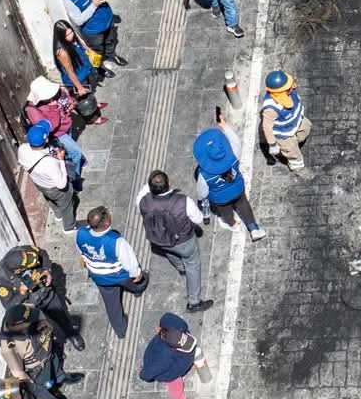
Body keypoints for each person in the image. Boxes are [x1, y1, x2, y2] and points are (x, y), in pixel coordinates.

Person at [137, 170, 213, 312]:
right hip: (184, 241)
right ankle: (194, 302)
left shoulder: (142, 200)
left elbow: (141, 206)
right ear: (169, 184)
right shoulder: (183, 201)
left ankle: (181, 268)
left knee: (170, 253)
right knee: (193, 264)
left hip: (159, 239)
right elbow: (198, 219)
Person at [74, 206, 148, 338]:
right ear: (107, 222)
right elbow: (130, 263)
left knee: (111, 306)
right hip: (120, 276)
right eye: (108, 213)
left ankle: (120, 330)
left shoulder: (80, 233)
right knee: (138, 280)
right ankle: (137, 290)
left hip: (99, 278)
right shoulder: (117, 241)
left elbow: (82, 252)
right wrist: (138, 274)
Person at [193, 121, 267, 240]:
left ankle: (233, 225)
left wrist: (203, 202)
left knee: (225, 212)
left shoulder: (203, 174)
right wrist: (225, 127)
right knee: (243, 204)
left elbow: (202, 192)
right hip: (238, 189)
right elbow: (235, 140)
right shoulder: (234, 154)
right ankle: (254, 228)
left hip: (220, 199)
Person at [139, 312, 209, 399]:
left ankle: (201, 372)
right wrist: (142, 374)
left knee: (196, 351)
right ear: (173, 348)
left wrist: (163, 328)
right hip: (172, 374)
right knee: (176, 386)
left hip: (177, 357)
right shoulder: (162, 358)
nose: (190, 344)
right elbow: (147, 373)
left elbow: (167, 317)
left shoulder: (178, 326)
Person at [63, 0, 124, 68]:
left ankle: (111, 55)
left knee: (110, 42)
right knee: (97, 52)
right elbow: (78, 20)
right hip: (93, 31)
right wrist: (93, 5)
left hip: (107, 21)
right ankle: (99, 69)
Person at [20, 124, 79, 227]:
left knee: (50, 199)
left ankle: (58, 215)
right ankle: (69, 227)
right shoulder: (49, 163)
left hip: (40, 183)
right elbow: (61, 184)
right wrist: (60, 160)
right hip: (55, 188)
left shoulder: (22, 149)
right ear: (46, 139)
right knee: (66, 205)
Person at [260, 69, 314, 172]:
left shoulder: (290, 91)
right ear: (280, 91)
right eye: (288, 86)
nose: (293, 86)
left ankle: (291, 145)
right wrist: (273, 144)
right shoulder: (271, 108)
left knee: (306, 128)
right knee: (292, 152)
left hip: (297, 122)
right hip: (284, 135)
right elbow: (266, 127)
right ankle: (298, 167)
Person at [52, 20, 104, 98]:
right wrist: (80, 88)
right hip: (79, 77)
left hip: (85, 67)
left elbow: (79, 41)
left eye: (71, 32)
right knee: (87, 95)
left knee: (92, 85)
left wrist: (89, 50)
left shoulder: (71, 38)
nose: (71, 35)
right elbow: (70, 72)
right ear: (61, 37)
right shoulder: (62, 52)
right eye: (68, 35)